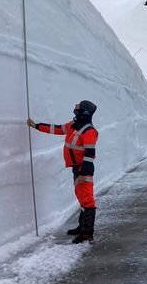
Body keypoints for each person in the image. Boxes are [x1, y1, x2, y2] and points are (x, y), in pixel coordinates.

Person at [27, 100, 99, 243]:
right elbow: (57, 129)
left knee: (87, 199)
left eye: (78, 106)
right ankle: (82, 226)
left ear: (85, 111)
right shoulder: (74, 125)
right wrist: (36, 126)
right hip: (76, 168)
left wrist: (83, 175)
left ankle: (87, 233)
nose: (75, 107)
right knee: (81, 197)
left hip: (83, 169)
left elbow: (90, 154)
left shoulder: (89, 131)